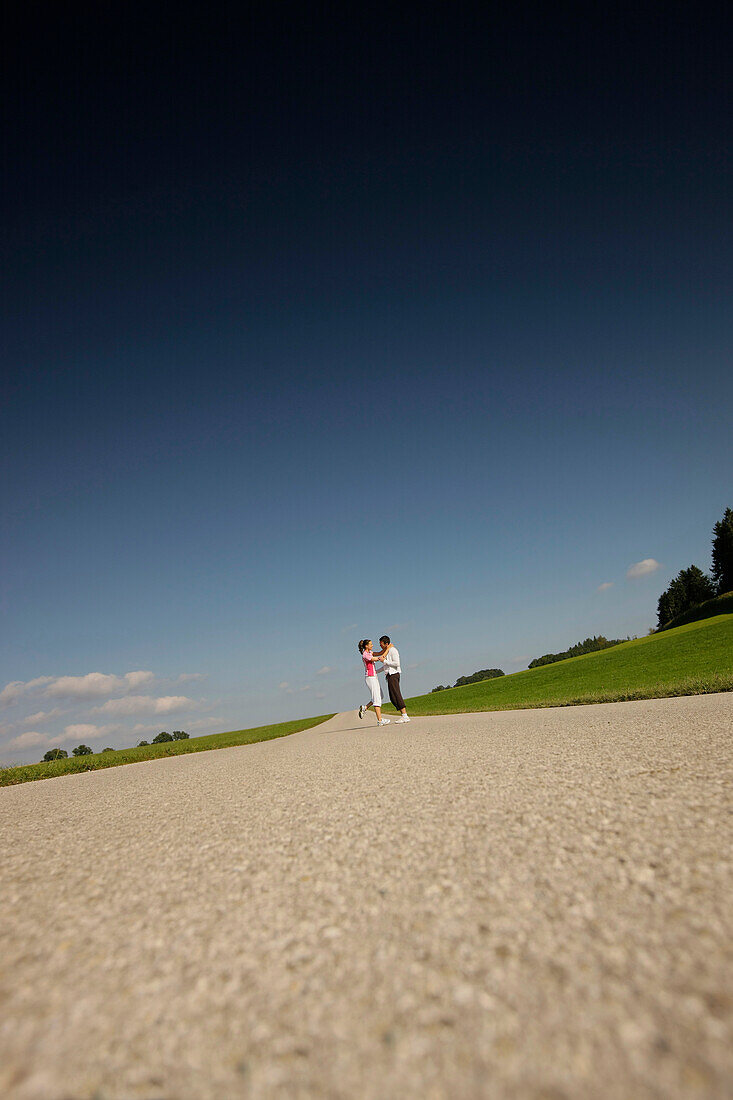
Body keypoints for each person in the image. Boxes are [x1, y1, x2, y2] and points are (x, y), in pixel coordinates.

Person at [375, 635, 410, 722]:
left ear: (386, 644)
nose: (380, 646)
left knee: (396, 694)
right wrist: (375, 672)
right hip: (389, 675)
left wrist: (385, 661)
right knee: (392, 697)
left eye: (381, 644)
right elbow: (385, 667)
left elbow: (397, 663)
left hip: (394, 675)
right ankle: (403, 715)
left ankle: (405, 715)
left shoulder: (393, 650)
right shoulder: (387, 652)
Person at [357, 639, 390, 725]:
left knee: (380, 696)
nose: (372, 645)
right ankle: (380, 720)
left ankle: (365, 707)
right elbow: (378, 658)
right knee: (377, 699)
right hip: (370, 678)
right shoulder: (365, 655)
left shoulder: (370, 652)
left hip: (374, 677)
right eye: (371, 644)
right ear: (366, 646)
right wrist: (387, 650)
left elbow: (379, 653)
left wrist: (387, 647)